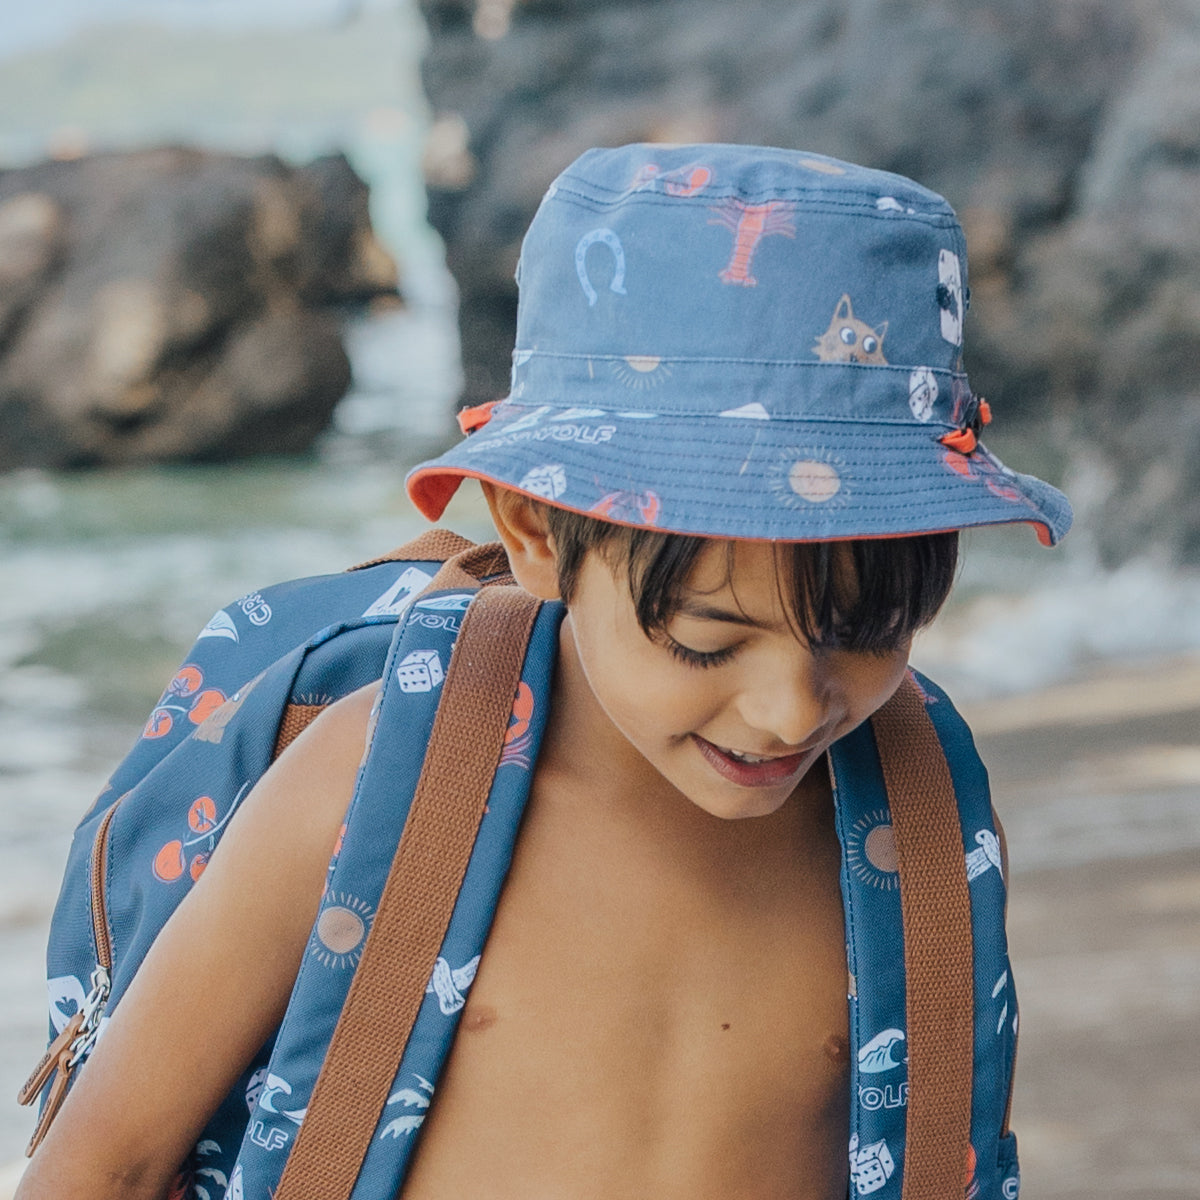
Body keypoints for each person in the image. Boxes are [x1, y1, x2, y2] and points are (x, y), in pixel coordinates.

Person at [17, 143, 1070, 1200]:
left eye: (870, 629)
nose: (790, 709)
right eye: (707, 639)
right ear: (534, 533)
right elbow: (107, 1167)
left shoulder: (918, 824)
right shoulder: (382, 786)